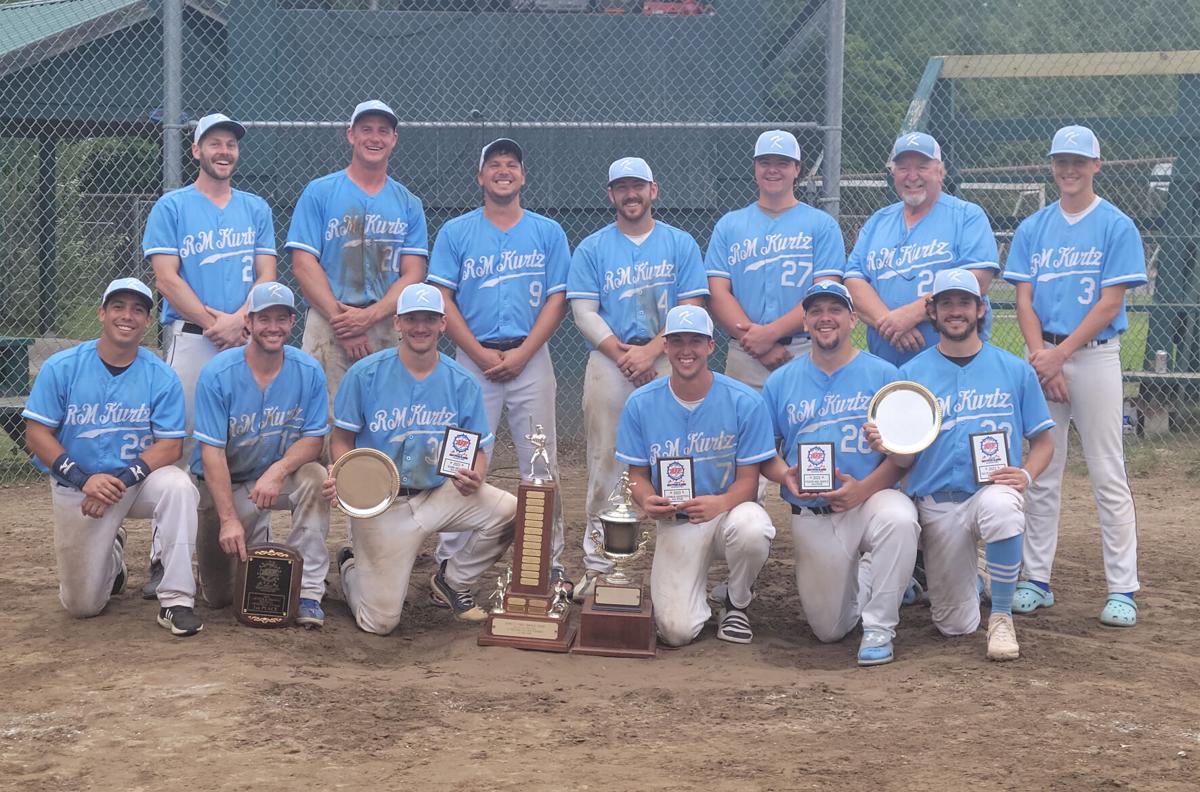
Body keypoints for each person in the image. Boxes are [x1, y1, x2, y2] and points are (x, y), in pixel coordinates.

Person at [871, 268, 1055, 661]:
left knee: (1003, 507)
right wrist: (888, 444)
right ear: (932, 312)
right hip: (937, 502)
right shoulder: (911, 376)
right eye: (946, 304)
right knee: (954, 625)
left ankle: (1002, 617)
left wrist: (1024, 474)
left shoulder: (1014, 370)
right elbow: (903, 459)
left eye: (964, 303)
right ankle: (973, 578)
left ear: (981, 309)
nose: (956, 311)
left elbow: (1044, 442)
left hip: (990, 489)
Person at [1003, 125, 1147, 627]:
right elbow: (1022, 297)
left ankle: (1123, 587)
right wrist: (1042, 355)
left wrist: (1057, 355)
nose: (1069, 169)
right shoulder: (1034, 227)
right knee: (1043, 470)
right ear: (1052, 164)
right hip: (1043, 355)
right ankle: (1036, 579)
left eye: (1079, 161)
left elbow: (1111, 303)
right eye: (1062, 160)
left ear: (1096, 166)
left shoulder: (1115, 224)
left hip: (1092, 355)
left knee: (1108, 472)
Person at [324, 283, 516, 635]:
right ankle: (352, 567)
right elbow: (342, 439)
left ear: (443, 324)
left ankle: (453, 581)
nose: (420, 327)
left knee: (510, 510)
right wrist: (348, 481)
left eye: (429, 319)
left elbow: (479, 449)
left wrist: (477, 475)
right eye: (412, 318)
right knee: (379, 623)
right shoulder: (365, 374)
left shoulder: (462, 382)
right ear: (397, 323)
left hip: (439, 493)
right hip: (384, 503)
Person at [141, 112, 277, 598]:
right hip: (191, 338)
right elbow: (166, 278)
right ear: (196, 150)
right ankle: (165, 561)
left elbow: (267, 273)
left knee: (247, 441)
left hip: (246, 336)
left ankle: (250, 554)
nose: (225, 151)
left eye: (231, 144)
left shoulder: (255, 207)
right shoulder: (172, 206)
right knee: (178, 448)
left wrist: (241, 319)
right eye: (214, 143)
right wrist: (213, 321)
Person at [426, 138, 570, 586]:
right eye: (494, 164)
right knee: (460, 458)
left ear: (522, 176)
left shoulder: (548, 232)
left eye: (511, 164)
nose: (503, 170)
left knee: (541, 464)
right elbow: (442, 298)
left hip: (532, 357)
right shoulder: (456, 231)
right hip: (472, 360)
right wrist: (478, 353)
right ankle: (449, 563)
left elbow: (557, 299)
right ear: (480, 176)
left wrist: (524, 353)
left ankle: (549, 561)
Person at [22, 278, 202, 636]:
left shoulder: (160, 376)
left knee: (180, 486)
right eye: (118, 306)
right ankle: (112, 556)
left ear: (148, 321)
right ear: (102, 313)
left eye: (138, 309)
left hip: (135, 483)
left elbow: (170, 447)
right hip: (78, 486)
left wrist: (120, 480)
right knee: (82, 606)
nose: (127, 315)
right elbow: (36, 434)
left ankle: (177, 599)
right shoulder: (63, 367)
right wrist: (84, 479)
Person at [566, 156, 709, 600]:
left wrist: (652, 350)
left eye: (639, 186)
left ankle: (683, 559)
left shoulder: (680, 243)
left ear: (654, 190)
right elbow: (583, 311)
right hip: (611, 358)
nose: (631, 194)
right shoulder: (592, 247)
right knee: (605, 460)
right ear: (611, 195)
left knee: (680, 456)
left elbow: (693, 306)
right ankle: (601, 563)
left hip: (671, 355)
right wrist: (625, 355)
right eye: (622, 187)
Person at [759, 282, 919, 666]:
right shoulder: (781, 381)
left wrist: (862, 490)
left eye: (835, 309)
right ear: (805, 321)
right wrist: (785, 477)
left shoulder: (883, 374)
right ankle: (877, 575)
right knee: (828, 630)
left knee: (900, 517)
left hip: (869, 499)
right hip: (812, 509)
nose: (825, 318)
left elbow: (905, 459)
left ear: (853, 319)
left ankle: (880, 627)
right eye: (816, 311)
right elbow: (764, 454)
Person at [614, 305, 776, 646]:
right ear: (666, 347)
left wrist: (719, 504)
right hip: (678, 519)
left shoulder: (744, 401)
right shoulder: (641, 403)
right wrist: (646, 500)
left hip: (729, 511)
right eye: (677, 341)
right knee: (675, 631)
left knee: (753, 528)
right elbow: (636, 476)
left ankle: (737, 600)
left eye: (695, 341)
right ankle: (696, 597)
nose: (686, 350)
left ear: (710, 347)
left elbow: (749, 481)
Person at [190, 282, 331, 628]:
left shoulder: (308, 371)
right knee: (220, 597)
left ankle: (309, 591)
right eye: (263, 318)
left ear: (293, 321)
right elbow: (211, 454)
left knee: (314, 477)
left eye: (281, 318)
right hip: (225, 485)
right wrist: (228, 519)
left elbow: (314, 440)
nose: (273, 327)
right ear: (248, 323)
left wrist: (280, 470)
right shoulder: (218, 374)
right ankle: (252, 533)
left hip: (271, 480)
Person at [286, 99, 429, 405]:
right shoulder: (320, 192)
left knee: (386, 417)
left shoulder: (408, 202)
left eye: (383, 131)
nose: (374, 138)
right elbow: (302, 263)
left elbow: (414, 272)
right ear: (351, 134)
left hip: (387, 322)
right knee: (325, 422)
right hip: (328, 323)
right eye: (366, 129)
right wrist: (343, 323)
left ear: (394, 139)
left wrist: (368, 318)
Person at [843, 132, 1000, 367]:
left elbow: (977, 280)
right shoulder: (878, 221)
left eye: (922, 167)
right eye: (903, 167)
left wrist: (912, 314)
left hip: (954, 363)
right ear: (893, 173)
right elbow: (853, 281)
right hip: (886, 364)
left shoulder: (967, 216)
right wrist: (889, 322)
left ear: (939, 171)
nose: (912, 175)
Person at [705, 130, 845, 390]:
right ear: (755, 168)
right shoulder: (729, 225)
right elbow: (717, 292)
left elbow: (825, 292)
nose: (773, 170)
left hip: (806, 349)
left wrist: (770, 334)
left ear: (797, 169)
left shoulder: (822, 225)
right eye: (765, 163)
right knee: (744, 429)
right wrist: (758, 346)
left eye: (782, 163)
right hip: (744, 350)